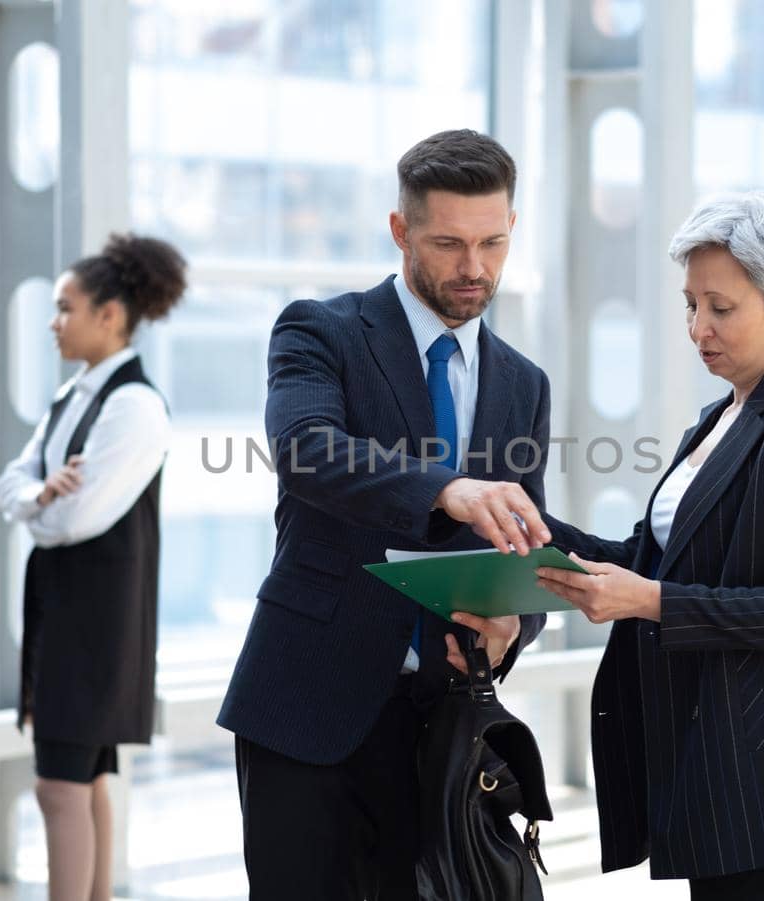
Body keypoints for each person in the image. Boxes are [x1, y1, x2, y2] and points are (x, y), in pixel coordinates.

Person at [216, 129, 557, 900]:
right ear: (401, 231)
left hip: (442, 719)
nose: (475, 268)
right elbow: (305, 450)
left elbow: (525, 532)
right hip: (307, 706)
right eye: (448, 243)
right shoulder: (322, 330)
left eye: (493, 242)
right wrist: (445, 488)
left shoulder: (523, 383)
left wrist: (515, 625)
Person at [534, 192, 764, 900]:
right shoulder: (721, 415)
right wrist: (534, 529)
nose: (698, 328)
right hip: (714, 761)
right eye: (691, 304)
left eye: (721, 307)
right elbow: (650, 556)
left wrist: (651, 602)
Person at [0, 233, 186, 901]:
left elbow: (75, 520)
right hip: (71, 611)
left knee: (59, 783)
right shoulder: (76, 393)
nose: (54, 321)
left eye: (64, 306)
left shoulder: (134, 405)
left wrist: (37, 509)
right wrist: (36, 496)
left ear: (109, 314)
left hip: (96, 622)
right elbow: (11, 481)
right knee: (88, 775)